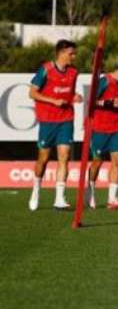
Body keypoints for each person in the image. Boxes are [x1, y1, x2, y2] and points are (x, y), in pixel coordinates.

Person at [28, 40, 82, 211]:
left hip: (66, 119)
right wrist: (53, 100)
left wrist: (75, 97)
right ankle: (36, 190)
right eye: (71, 53)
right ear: (61, 52)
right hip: (47, 121)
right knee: (43, 159)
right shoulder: (46, 69)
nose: (74, 56)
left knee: (64, 156)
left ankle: (59, 198)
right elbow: (32, 93)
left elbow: (70, 92)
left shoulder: (74, 72)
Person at [85, 57, 118, 210]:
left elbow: (117, 103)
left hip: (117, 127)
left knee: (117, 161)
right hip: (99, 127)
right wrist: (108, 103)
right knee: (97, 162)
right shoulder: (105, 81)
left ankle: (112, 198)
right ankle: (91, 191)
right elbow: (91, 102)